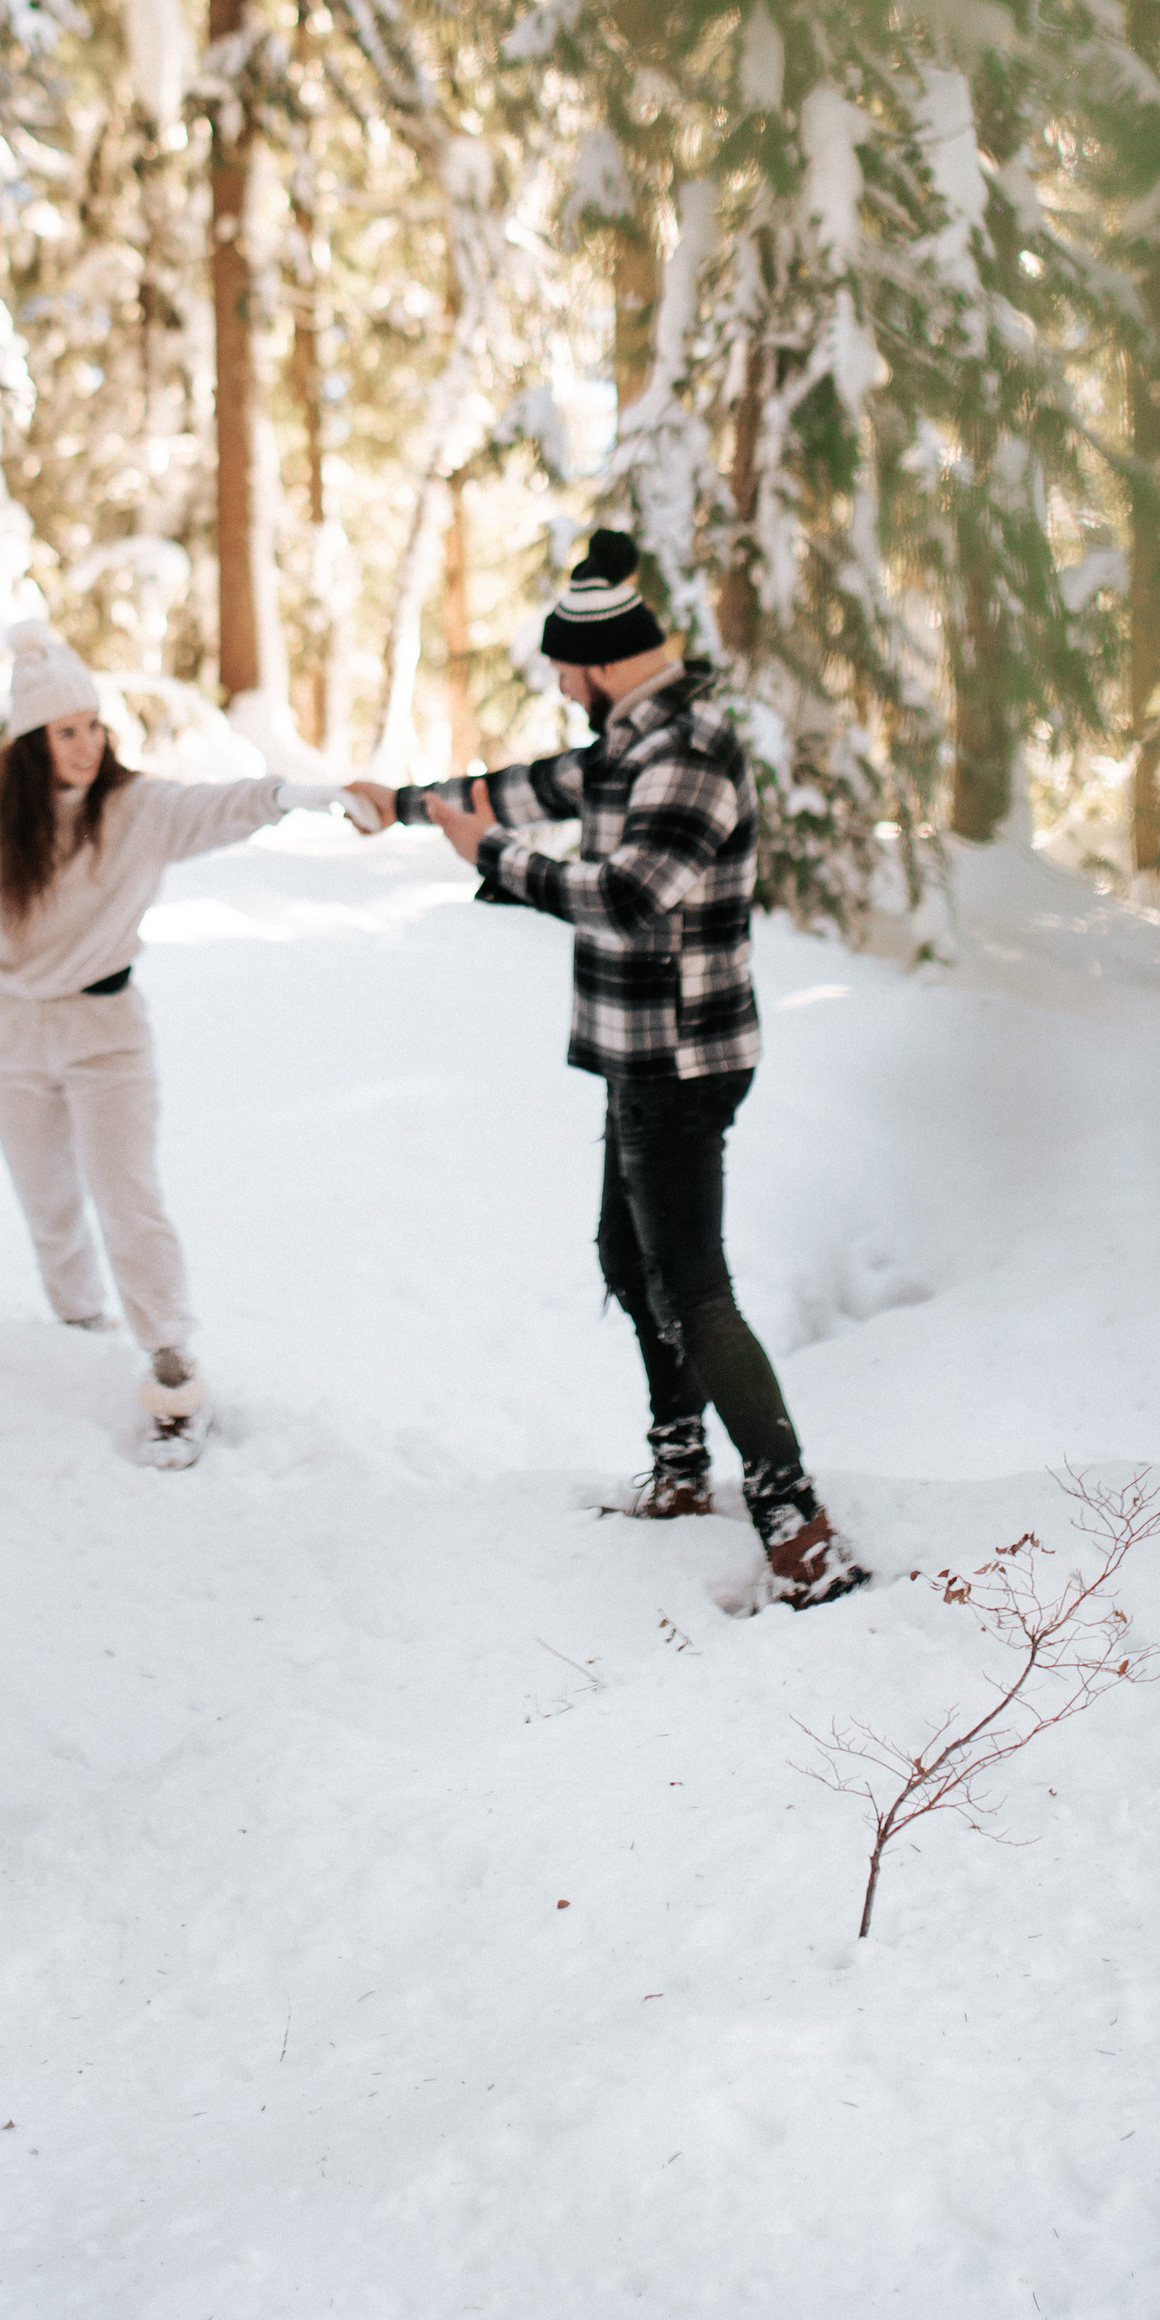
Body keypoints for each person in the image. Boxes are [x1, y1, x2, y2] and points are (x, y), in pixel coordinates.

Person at [352, 530, 867, 1607]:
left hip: (681, 1060)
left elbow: (632, 893)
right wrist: (404, 805)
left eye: (558, 667)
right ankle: (682, 1469)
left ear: (595, 661)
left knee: (692, 1285)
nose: (554, 684)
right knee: (628, 1262)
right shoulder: (635, 737)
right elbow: (531, 785)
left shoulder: (688, 750)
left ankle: (795, 1518)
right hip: (642, 1054)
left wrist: (489, 857)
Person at [0, 624, 373, 1457]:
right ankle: (75, 1334)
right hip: (8, 1034)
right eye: (67, 731)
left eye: (94, 726)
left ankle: (172, 1364)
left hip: (105, 1030)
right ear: (33, 744)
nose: (87, 744)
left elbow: (215, 807)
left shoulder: (135, 811)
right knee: (48, 1202)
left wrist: (292, 795)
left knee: (127, 1197)